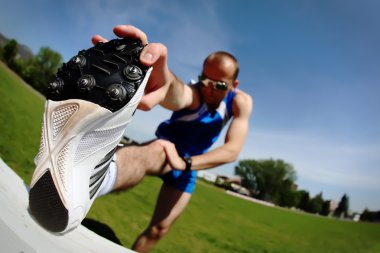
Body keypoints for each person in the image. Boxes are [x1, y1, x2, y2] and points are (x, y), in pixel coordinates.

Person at [91, 25, 253, 253]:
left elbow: (232, 150)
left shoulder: (241, 102)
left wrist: (186, 163)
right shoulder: (195, 93)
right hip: (166, 147)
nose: (209, 88)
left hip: (188, 164)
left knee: (159, 229)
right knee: (150, 154)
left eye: (219, 85)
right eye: (204, 80)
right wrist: (160, 79)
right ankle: (88, 180)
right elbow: (177, 92)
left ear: (234, 85)